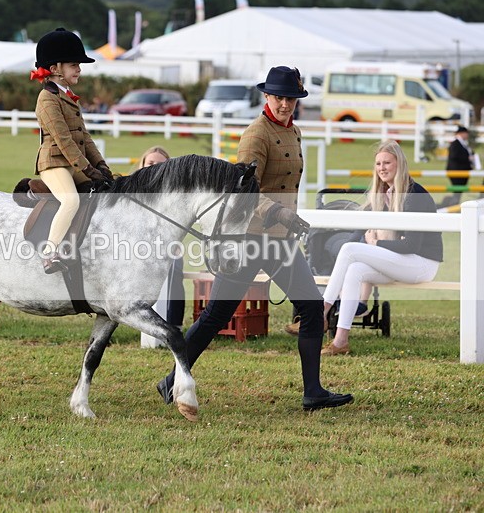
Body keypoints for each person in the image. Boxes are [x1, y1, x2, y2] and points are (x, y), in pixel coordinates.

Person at [156, 66, 353, 411]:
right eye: (278, 97)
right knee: (216, 316)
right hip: (249, 237)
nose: (284, 104)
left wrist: (286, 219)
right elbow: (245, 191)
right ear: (266, 97)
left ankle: (313, 392)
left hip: (279, 241)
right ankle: (171, 381)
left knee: (309, 308)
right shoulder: (256, 135)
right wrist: (279, 213)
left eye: (290, 98)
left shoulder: (294, 133)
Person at [321, 140, 443, 355]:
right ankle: (340, 342)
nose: (382, 168)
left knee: (350, 250)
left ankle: (321, 311)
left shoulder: (414, 195)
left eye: (387, 162)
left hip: (421, 264)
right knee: (354, 270)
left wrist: (375, 243)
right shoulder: (386, 194)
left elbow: (411, 245)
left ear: (400, 164)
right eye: (378, 164)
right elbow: (360, 228)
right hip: (401, 263)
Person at [31, 27, 113, 274]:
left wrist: (101, 166)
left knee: (107, 190)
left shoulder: (68, 96)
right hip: (54, 163)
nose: (79, 69)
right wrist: (86, 167)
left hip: (74, 163)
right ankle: (49, 254)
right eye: (74, 65)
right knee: (70, 200)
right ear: (56, 68)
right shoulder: (47, 98)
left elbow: (84, 138)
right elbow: (64, 139)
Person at [137, 147, 185, 348]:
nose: (155, 167)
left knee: (174, 268)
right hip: (136, 246)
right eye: (151, 163)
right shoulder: (135, 188)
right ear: (143, 165)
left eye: (161, 164)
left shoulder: (175, 192)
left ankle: (174, 325)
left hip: (167, 245)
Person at [444, 126, 479, 206]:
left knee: (458, 191)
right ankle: (453, 205)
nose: (467, 135)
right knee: (457, 191)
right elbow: (454, 156)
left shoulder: (463, 144)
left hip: (462, 171)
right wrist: (468, 158)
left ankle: (454, 204)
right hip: (456, 171)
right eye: (466, 133)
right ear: (462, 133)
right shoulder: (455, 143)